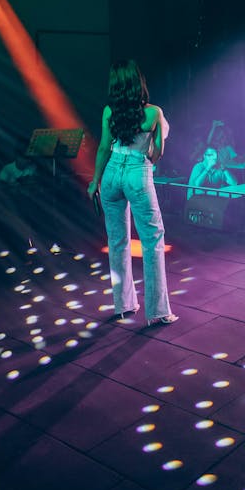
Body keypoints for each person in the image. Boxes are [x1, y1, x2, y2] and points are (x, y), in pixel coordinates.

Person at [87, 59, 177, 326]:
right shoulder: (154, 113)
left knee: (116, 242)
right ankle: (158, 311)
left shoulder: (108, 111)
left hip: (112, 173)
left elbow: (104, 148)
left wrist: (95, 181)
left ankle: (123, 305)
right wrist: (156, 142)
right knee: (152, 241)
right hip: (137, 172)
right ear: (139, 82)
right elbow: (156, 154)